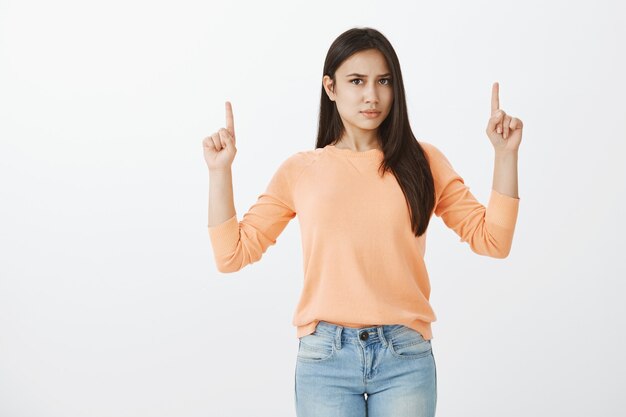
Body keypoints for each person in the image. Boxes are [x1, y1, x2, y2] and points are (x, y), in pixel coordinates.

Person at [203, 27, 522, 417]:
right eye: (357, 81)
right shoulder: (301, 170)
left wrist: (505, 156)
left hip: (404, 355)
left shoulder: (423, 162)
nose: (372, 96)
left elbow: (493, 240)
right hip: (325, 359)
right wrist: (220, 173)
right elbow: (231, 255)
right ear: (330, 87)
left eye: (383, 81)